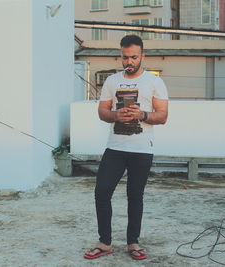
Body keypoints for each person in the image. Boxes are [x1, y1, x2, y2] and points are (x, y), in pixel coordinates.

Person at [83, 35, 169, 260]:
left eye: (133, 57)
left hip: (142, 148)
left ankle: (133, 242)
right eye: (125, 57)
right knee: (102, 192)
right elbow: (102, 112)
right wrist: (115, 114)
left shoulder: (154, 82)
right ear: (120, 56)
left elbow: (163, 116)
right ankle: (105, 242)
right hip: (115, 147)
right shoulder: (112, 81)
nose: (129, 61)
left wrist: (142, 114)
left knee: (135, 196)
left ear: (142, 56)